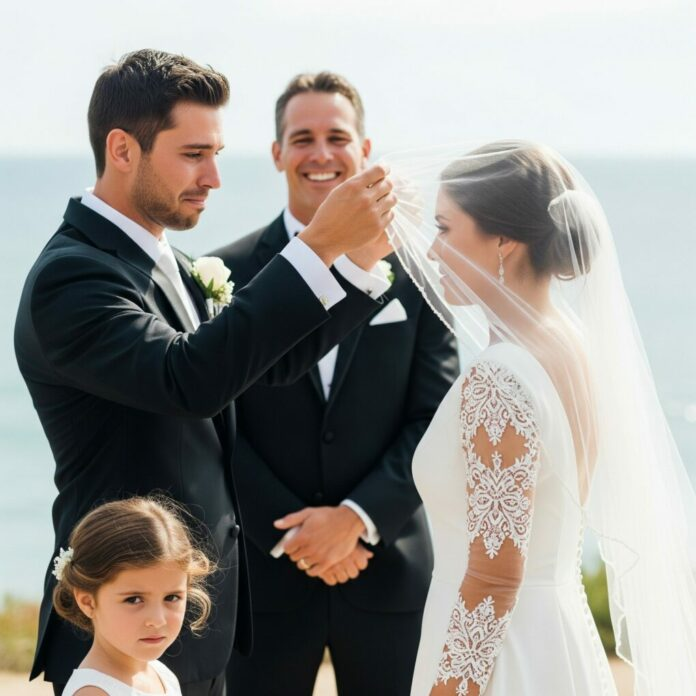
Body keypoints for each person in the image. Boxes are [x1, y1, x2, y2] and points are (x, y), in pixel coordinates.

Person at [14, 49, 397, 696]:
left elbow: (262, 367)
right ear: (122, 149)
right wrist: (317, 246)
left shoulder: (175, 263)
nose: (214, 177)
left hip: (190, 621)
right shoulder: (73, 277)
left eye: (216, 153)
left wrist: (357, 264)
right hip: (118, 630)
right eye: (194, 154)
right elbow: (188, 380)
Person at [381, 141, 696, 694]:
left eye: (445, 228)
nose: (431, 250)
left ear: (503, 240)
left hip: (506, 660)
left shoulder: (499, 379)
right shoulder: (572, 344)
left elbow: (495, 574)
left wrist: (450, 689)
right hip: (559, 636)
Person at [212, 72, 459, 695]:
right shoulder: (225, 274)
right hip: (263, 579)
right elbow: (215, 421)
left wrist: (355, 518)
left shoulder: (417, 276)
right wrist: (294, 535)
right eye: (302, 138)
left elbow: (436, 417)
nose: (320, 153)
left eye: (337, 137)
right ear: (277, 153)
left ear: (365, 150)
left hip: (389, 567)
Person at [53, 497, 213, 696]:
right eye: (134, 599)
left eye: (172, 597)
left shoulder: (161, 675)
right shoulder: (93, 692)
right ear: (88, 602)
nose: (157, 620)